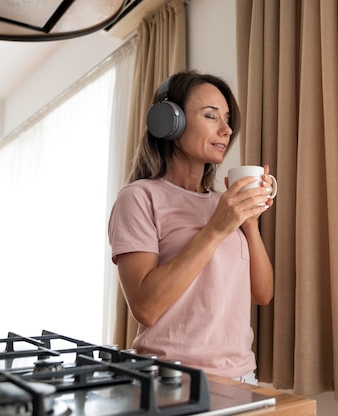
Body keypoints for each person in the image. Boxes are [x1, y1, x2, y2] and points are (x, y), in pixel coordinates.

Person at [108, 70, 275, 384]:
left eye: (227, 119)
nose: (226, 130)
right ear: (169, 122)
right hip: (170, 380)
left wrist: (249, 224)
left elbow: (263, 294)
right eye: (211, 116)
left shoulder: (223, 205)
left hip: (240, 378)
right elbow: (146, 307)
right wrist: (215, 229)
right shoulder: (139, 198)